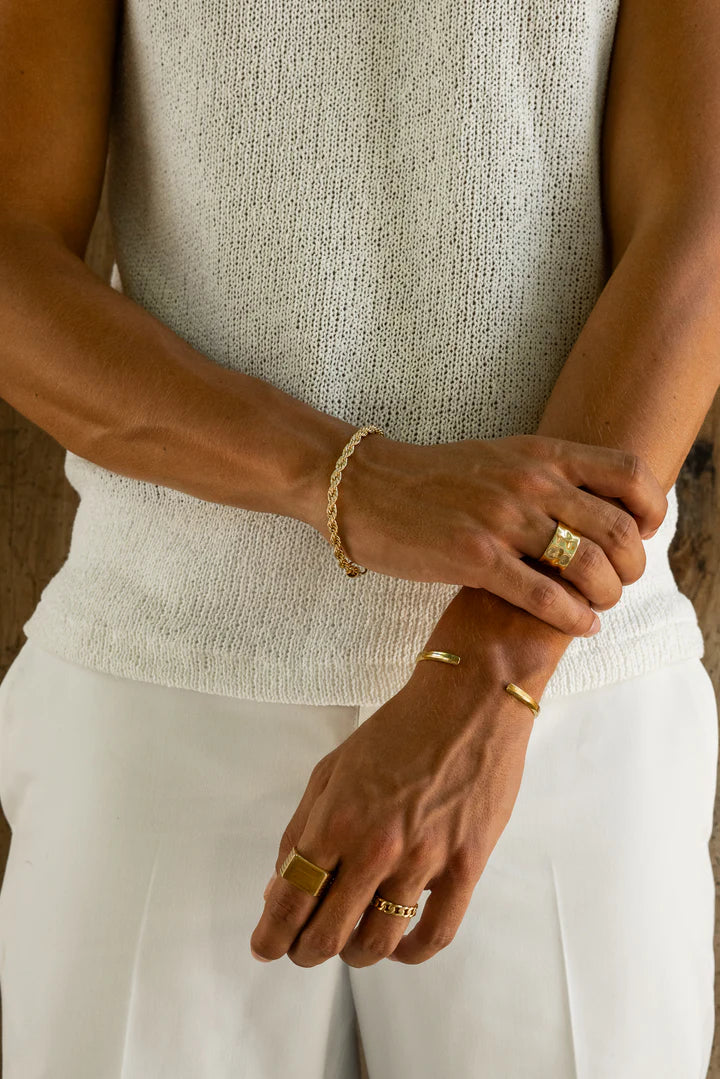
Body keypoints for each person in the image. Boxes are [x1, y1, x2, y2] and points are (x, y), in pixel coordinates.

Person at [0, 0, 718, 1075]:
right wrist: (355, 482)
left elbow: (696, 230)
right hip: (161, 682)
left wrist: (489, 675)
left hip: (567, 702)